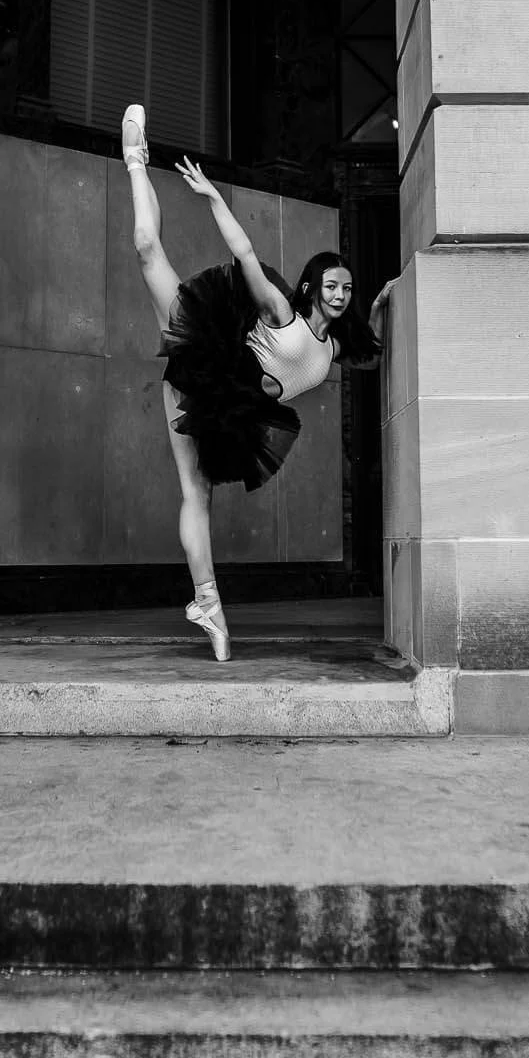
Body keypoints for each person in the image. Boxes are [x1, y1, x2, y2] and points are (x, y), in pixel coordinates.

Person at [121, 103, 382, 663]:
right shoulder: (282, 310)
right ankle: (136, 160)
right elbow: (243, 254)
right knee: (146, 247)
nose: (340, 295)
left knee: (199, 494)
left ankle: (208, 606)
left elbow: (374, 348)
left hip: (234, 415)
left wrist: (386, 301)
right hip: (209, 358)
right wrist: (214, 197)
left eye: (349, 289)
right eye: (333, 286)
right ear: (314, 285)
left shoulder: (336, 347)